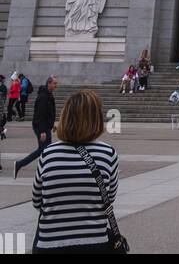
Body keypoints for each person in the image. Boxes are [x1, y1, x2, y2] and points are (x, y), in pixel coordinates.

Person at [31, 89, 120, 254]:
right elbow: (109, 198)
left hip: (50, 244)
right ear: (97, 119)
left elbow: (37, 201)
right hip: (94, 244)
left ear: (65, 117)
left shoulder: (48, 153)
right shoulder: (107, 153)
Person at [14, 77, 57, 178]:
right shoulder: (43, 97)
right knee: (43, 150)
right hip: (41, 127)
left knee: (46, 150)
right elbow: (39, 114)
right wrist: (42, 131)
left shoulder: (48, 95)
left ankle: (45, 170)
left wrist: (52, 124)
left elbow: (48, 113)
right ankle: (19, 164)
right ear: (49, 83)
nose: (56, 85)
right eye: (54, 83)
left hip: (46, 126)